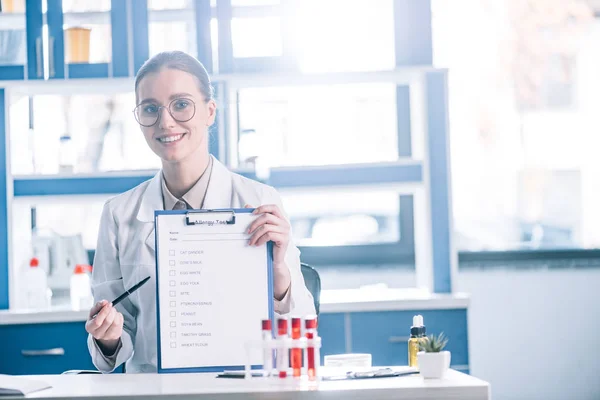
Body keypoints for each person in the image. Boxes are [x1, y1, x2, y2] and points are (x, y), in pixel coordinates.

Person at [85, 51, 316, 373]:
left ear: (210, 111)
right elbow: (117, 336)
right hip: (155, 392)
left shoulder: (258, 200)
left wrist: (279, 276)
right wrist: (107, 336)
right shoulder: (118, 214)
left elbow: (302, 326)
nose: (165, 122)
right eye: (150, 108)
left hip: (242, 387)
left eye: (181, 104)